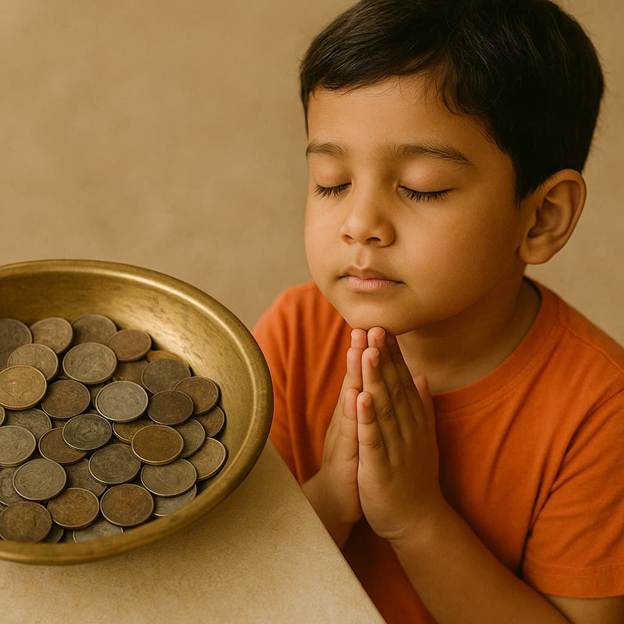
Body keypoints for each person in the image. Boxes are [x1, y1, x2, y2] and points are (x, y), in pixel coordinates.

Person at [252, 1, 624, 622]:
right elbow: (234, 577)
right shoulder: (294, 330)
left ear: (542, 217)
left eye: (422, 187)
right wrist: (327, 498)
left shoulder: (600, 412)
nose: (360, 225)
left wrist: (418, 521)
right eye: (332, 180)